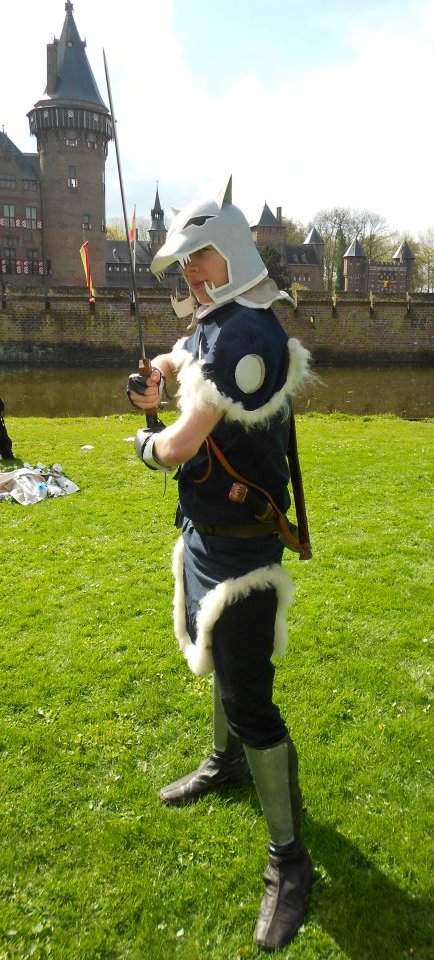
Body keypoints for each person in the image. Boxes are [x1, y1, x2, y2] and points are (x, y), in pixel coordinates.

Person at [128, 177, 313, 951]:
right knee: (223, 666)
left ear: (228, 253)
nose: (186, 275)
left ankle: (290, 863)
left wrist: (145, 432)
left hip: (244, 553)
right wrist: (166, 372)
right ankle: (222, 761)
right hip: (212, 537)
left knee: (253, 699)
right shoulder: (226, 321)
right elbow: (190, 351)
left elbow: (177, 447)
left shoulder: (249, 340)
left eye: (195, 258)